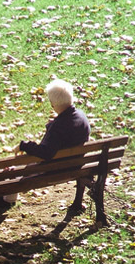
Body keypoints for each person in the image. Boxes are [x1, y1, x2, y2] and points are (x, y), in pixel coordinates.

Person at [9, 79, 91, 209]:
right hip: (77, 164)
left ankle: (6, 200)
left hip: (56, 169)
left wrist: (23, 146)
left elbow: (46, 152)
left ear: (53, 104)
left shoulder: (58, 126)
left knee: (13, 171)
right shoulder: (81, 116)